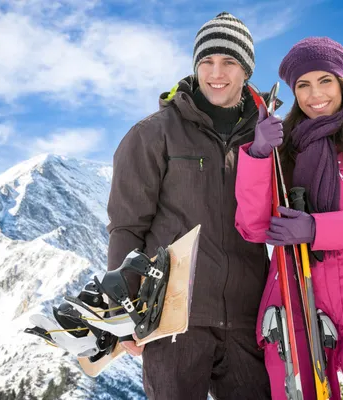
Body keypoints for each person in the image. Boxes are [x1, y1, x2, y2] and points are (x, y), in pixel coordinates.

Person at [105, 12, 273, 400]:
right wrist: (124, 311)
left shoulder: (266, 136)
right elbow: (127, 226)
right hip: (174, 319)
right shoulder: (153, 133)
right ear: (195, 66)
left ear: (246, 70)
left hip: (249, 319)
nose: (217, 72)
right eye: (207, 61)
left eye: (229, 61)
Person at [234, 36, 343, 399]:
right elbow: (253, 227)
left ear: (341, 82)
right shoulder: (286, 148)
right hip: (295, 296)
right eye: (303, 85)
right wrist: (259, 153)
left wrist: (317, 228)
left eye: (324, 81)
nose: (315, 94)